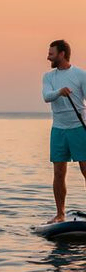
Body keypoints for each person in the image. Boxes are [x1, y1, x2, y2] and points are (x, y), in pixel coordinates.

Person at [42, 39, 86, 223]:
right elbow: (46, 96)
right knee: (59, 173)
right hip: (58, 130)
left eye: (51, 53)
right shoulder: (48, 77)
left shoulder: (80, 75)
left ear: (62, 54)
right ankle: (60, 213)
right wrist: (60, 91)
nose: (47, 56)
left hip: (79, 128)